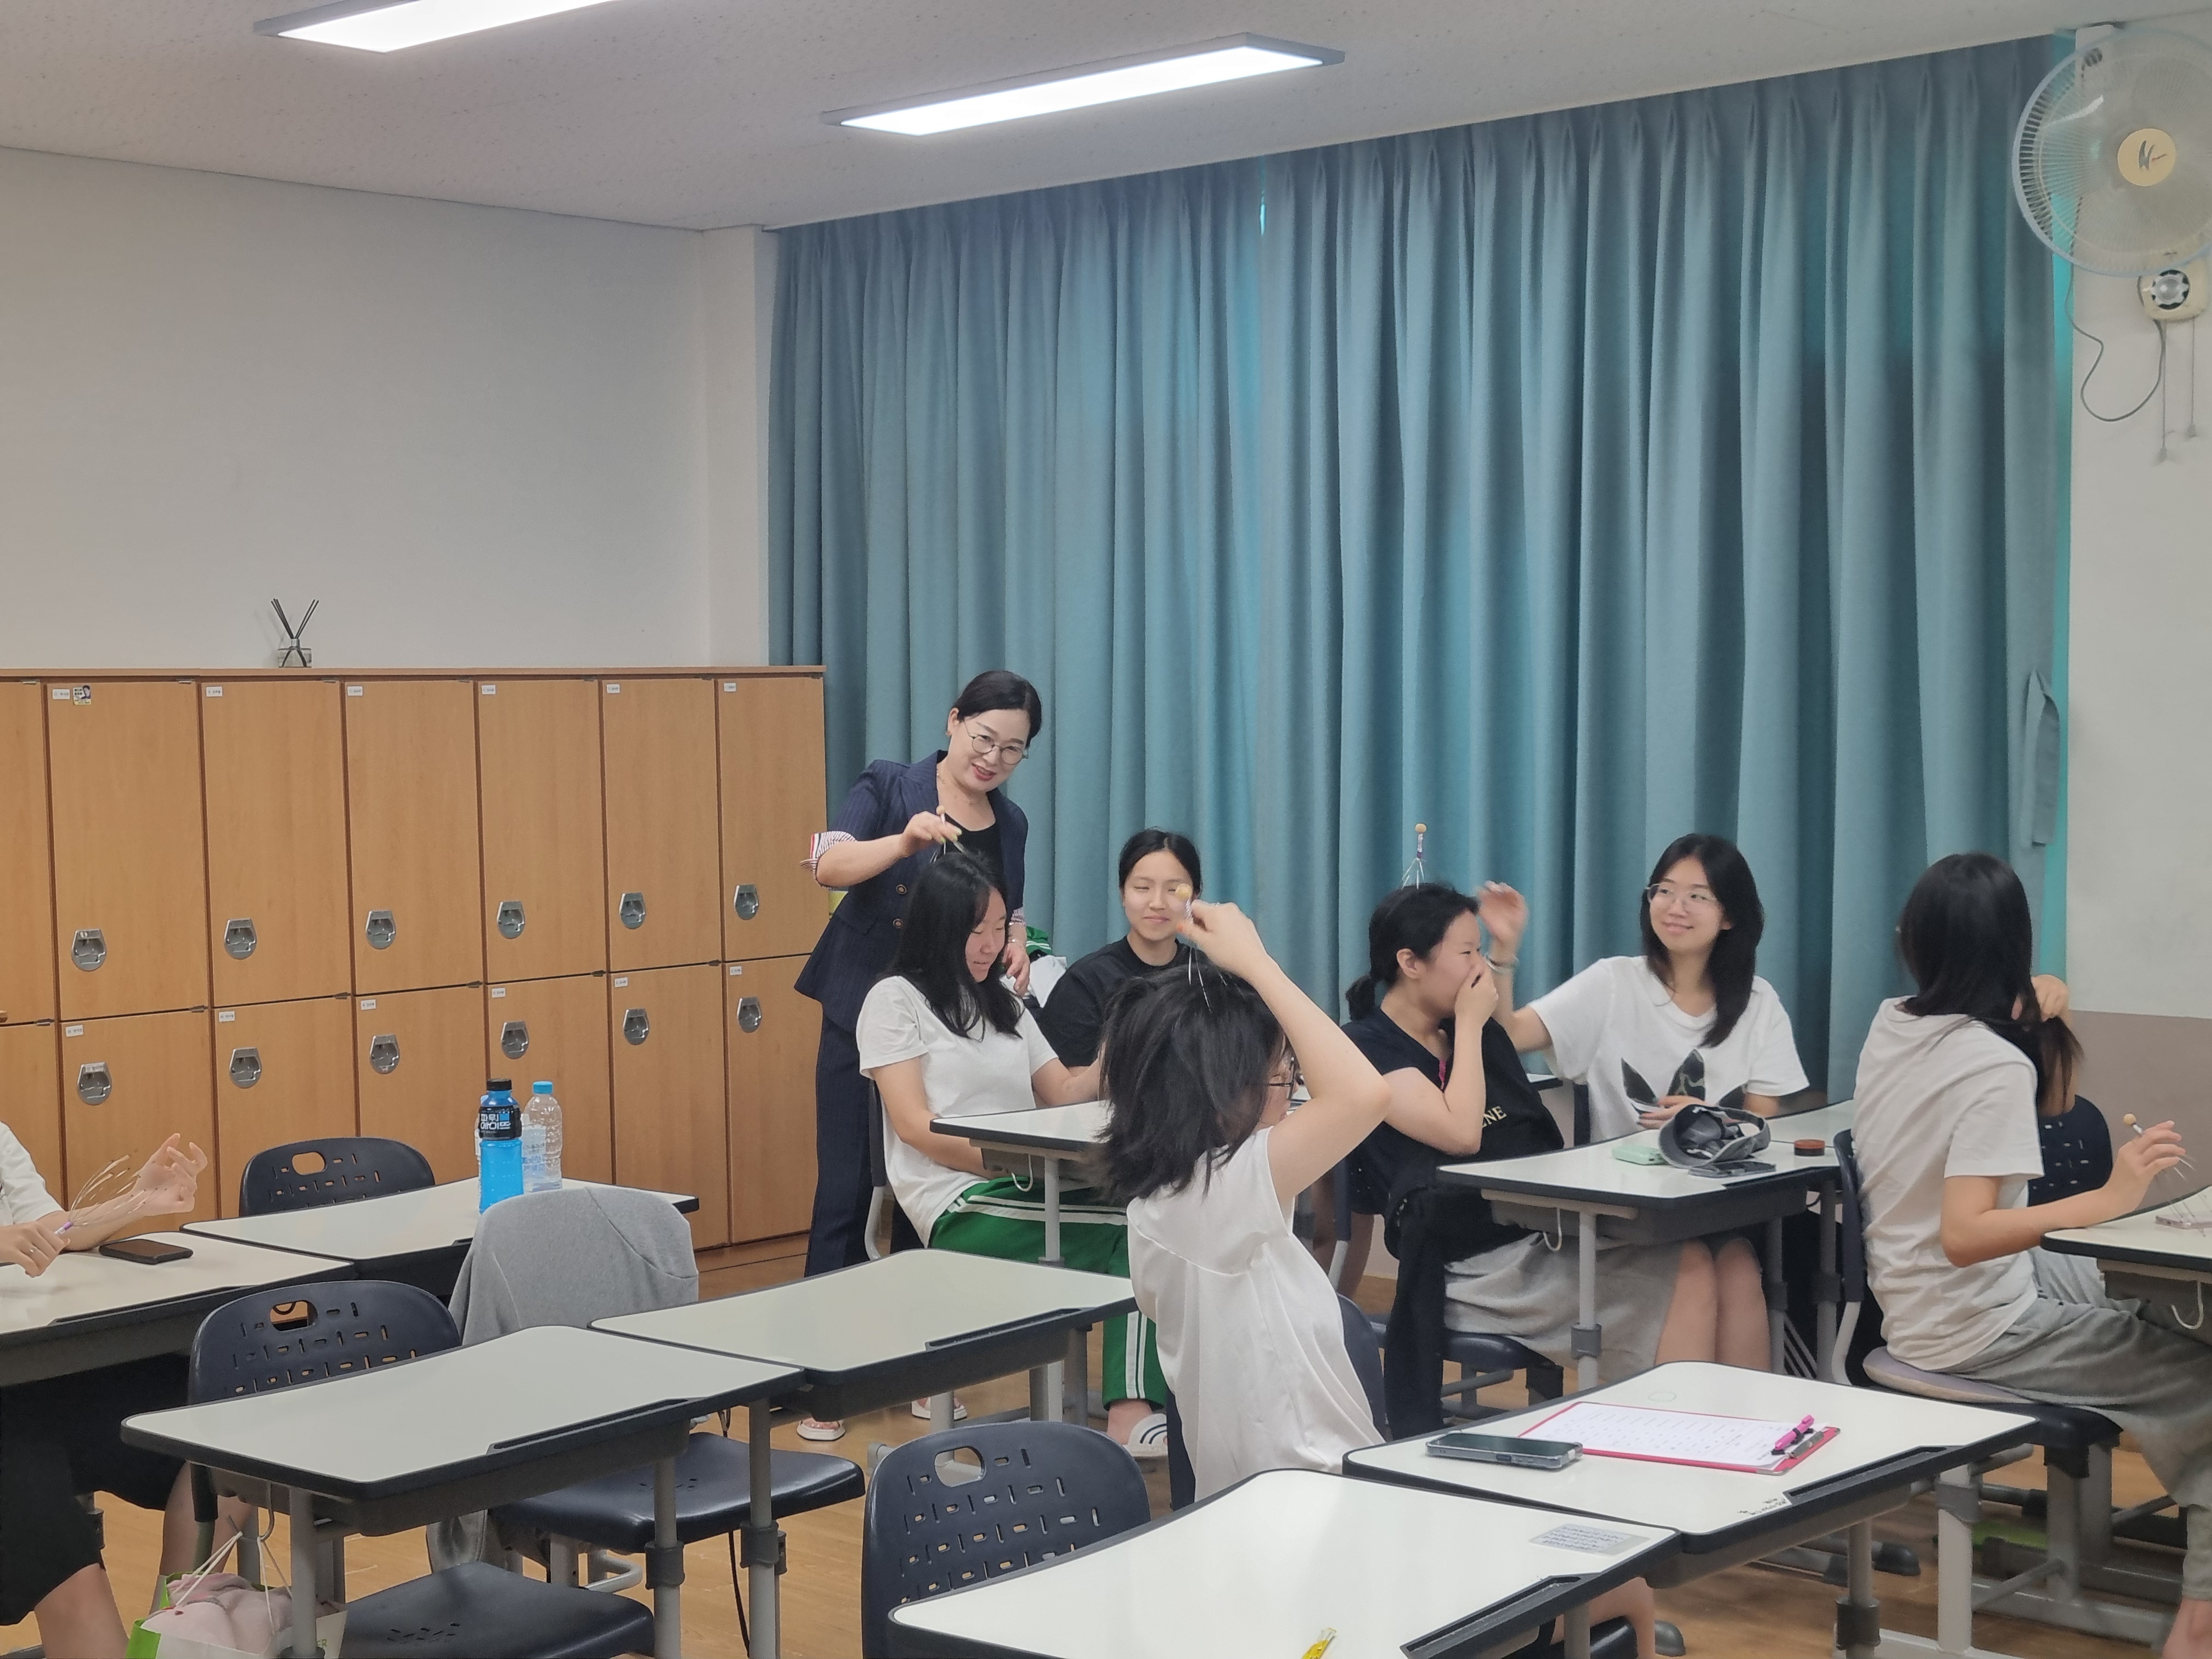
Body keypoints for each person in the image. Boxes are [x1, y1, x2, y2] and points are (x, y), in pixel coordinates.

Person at [1102, 901, 1658, 1657]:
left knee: (1608, 1566)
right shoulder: (1199, 1204)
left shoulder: (1198, 1199)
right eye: (1278, 1079)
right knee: (1620, 1586)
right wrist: (1257, 966)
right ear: (1215, 1091)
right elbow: (1363, 1096)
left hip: (1347, 1501)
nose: (1291, 1094)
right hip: (1309, 1541)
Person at [1854, 851, 2212, 1659]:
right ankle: (2199, 1622)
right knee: (2205, 1382)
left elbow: (2046, 1100)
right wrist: (2110, 1198)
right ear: (2011, 947)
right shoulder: (1987, 1062)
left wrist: (2045, 1006)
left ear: (1915, 942)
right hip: (1973, 1321)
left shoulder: (1894, 1021)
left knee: (2172, 1298)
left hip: (1934, 1294)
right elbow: (1966, 1233)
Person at [1347, 884, 1769, 1398]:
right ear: (1411, 963)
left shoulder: (1460, 1031)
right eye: (1467, 953)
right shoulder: (1365, 1046)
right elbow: (1461, 1134)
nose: (1479, 969)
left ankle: (1750, 1433)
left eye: (1480, 952)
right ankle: (1672, 1435)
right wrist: (1472, 1027)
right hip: (1466, 1264)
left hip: (1530, 1228)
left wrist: (1498, 966)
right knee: (1691, 1270)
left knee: (1734, 1259)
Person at [854, 850, 1168, 1454]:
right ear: (938, 926)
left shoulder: (1002, 999)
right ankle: (1130, 1414)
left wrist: (1123, 1045)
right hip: (959, 1202)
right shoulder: (895, 1001)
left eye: (1000, 928)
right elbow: (915, 1126)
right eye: (976, 929)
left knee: (1157, 1213)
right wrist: (1015, 1162)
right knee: (1136, 1232)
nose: (990, 944)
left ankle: (1155, 1400)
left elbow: (1065, 1090)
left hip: (1030, 1182)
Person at [796, 670, 1043, 1278]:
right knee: (848, 1188)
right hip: (865, 1008)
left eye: (1013, 750)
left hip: (950, 1029)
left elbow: (1008, 907)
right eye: (984, 739)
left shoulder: (1010, 822)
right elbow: (828, 865)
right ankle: (823, 1323)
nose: (993, 759)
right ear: (954, 721)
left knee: (929, 1188)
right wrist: (903, 843)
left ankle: (917, 1322)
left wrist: (1015, 943)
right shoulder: (889, 782)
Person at [0, 1129, 249, 1658]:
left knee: (228, 1415)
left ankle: (169, 1640)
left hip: (33, 1379)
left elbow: (55, 1230)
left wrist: (137, 1199)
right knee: (44, 1521)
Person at [1489, 833, 1808, 1142]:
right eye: (1665, 891)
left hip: (1724, 1175)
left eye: (1697, 896)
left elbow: (1761, 1122)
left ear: (1729, 917)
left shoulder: (1759, 1002)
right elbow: (1507, 1036)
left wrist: (1710, 1121)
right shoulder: (1613, 982)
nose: (1676, 908)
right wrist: (1504, 948)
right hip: (1620, 1175)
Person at [1035, 828, 1201, 1067]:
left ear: (1194, 897)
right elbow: (1064, 1083)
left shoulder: (1209, 977)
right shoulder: (1085, 983)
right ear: (1123, 893)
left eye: (1175, 890)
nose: (1157, 903)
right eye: (1142, 888)